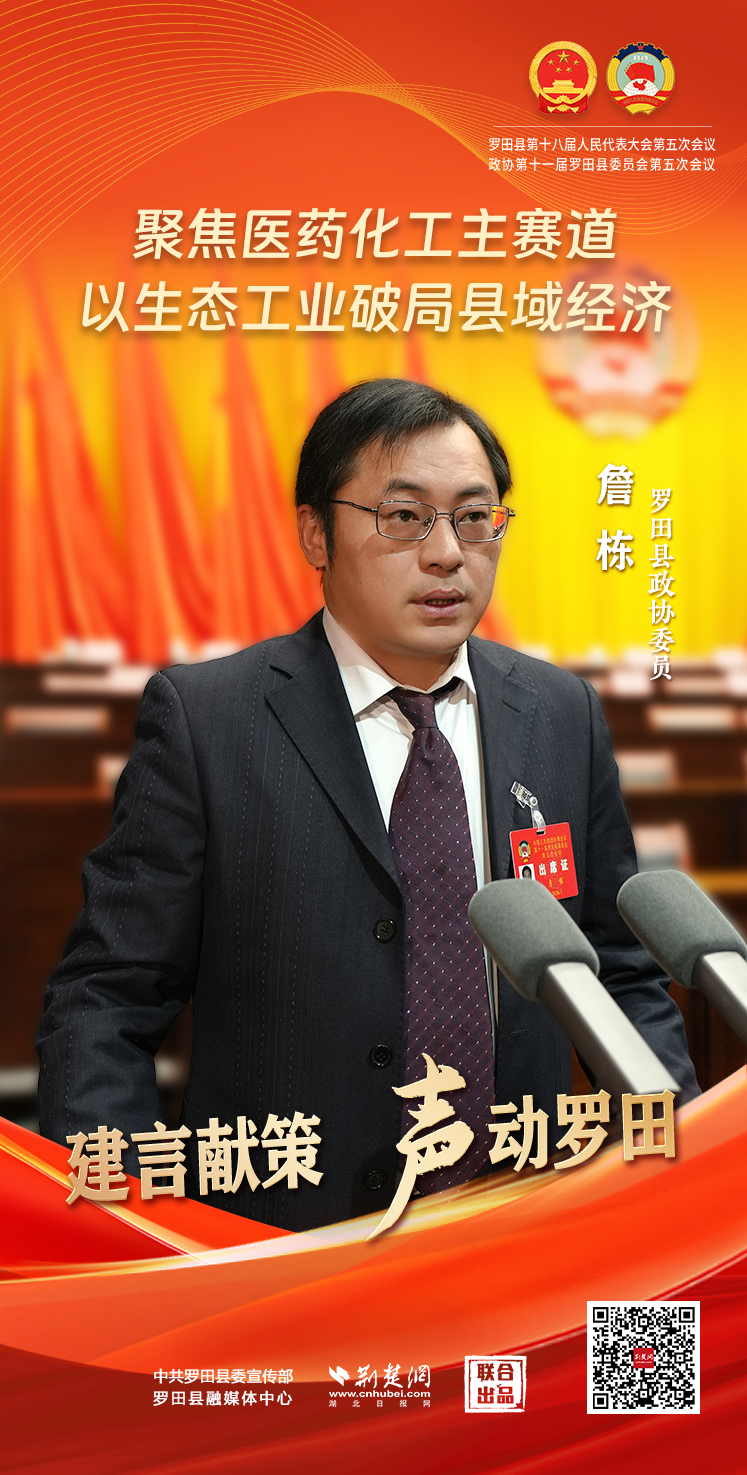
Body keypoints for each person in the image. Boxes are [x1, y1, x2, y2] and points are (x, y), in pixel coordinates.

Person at [37, 378, 698, 1231]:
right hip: (282, 1239)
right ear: (316, 533)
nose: (447, 553)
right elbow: (109, 1000)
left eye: (474, 517)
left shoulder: (559, 712)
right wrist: (127, 1227)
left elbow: (619, 972)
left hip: (522, 1222)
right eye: (403, 517)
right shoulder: (209, 721)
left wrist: (679, 1165)